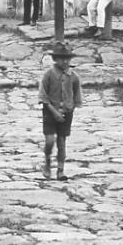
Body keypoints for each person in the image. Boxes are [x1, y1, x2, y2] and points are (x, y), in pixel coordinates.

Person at [39, 41, 82, 181]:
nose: (65, 61)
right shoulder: (48, 75)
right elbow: (43, 96)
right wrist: (54, 112)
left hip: (66, 114)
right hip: (50, 112)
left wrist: (69, 110)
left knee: (62, 142)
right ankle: (47, 162)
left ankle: (60, 170)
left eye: (67, 58)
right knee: (50, 140)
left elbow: (77, 97)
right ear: (55, 59)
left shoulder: (74, 77)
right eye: (61, 58)